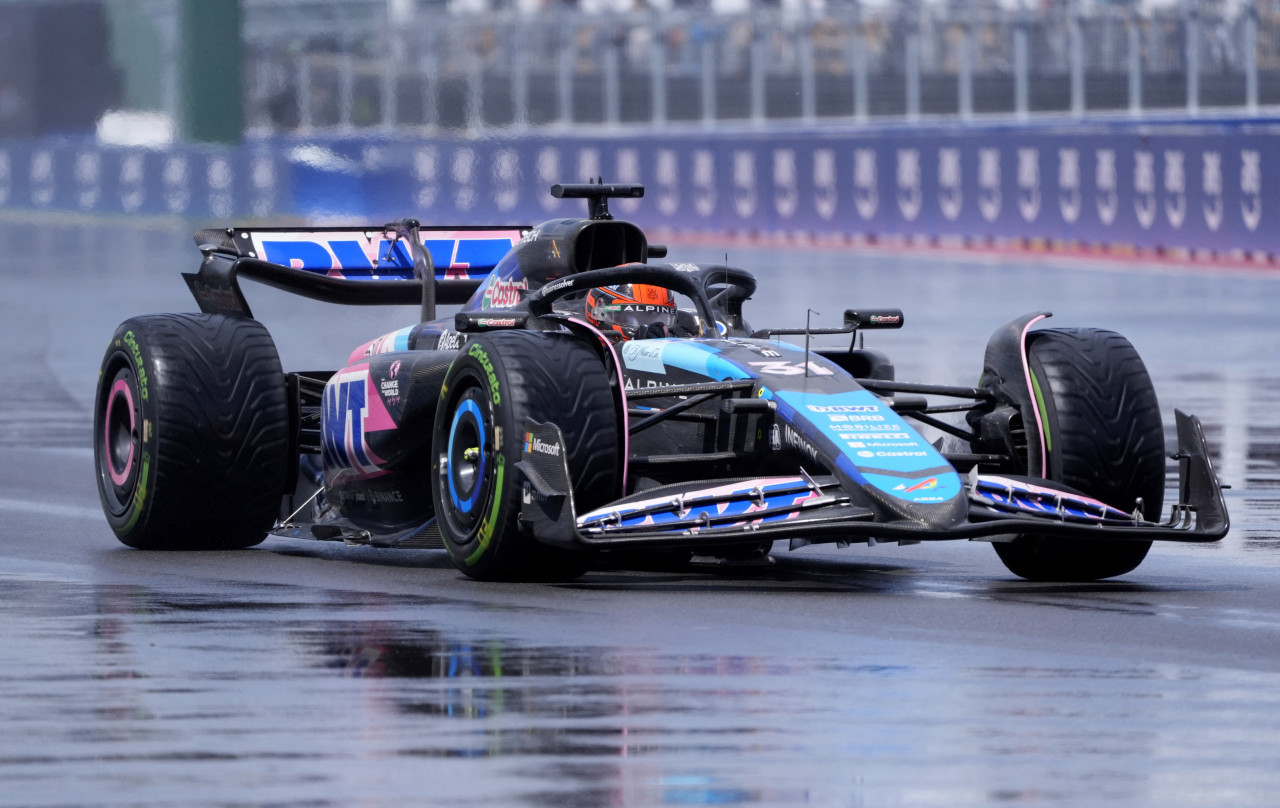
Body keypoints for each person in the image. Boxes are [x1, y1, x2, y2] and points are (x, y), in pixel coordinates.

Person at [584, 283, 679, 342]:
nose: (652, 332)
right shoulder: (581, 351)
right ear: (598, 312)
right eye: (637, 317)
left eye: (657, 318)